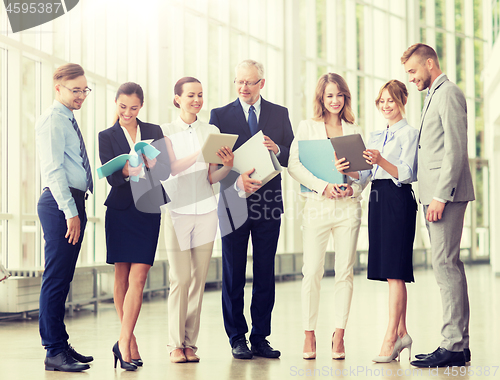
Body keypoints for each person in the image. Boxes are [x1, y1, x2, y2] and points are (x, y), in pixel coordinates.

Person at [209, 59, 294, 359]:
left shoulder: (279, 114)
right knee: (233, 272)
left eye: (249, 82)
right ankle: (236, 338)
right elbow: (215, 163)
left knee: (264, 272)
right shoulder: (219, 115)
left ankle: (260, 337)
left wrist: (277, 149)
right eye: (239, 82)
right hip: (233, 201)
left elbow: (291, 155)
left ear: (262, 83)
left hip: (268, 202)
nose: (243, 87)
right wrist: (237, 181)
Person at [401, 43, 475, 368]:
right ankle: (458, 343)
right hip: (437, 195)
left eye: (413, 71)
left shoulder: (448, 93)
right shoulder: (434, 94)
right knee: (449, 267)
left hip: (446, 196)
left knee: (445, 267)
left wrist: (440, 196)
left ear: (430, 63)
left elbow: (455, 150)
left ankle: (453, 345)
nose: (411, 79)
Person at [338, 80, 418, 363]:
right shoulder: (374, 136)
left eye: (391, 101)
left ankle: (391, 337)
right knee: (390, 272)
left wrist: (381, 160)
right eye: (381, 101)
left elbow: (407, 173)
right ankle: (403, 332)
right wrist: (347, 172)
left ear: (402, 102)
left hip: (398, 199)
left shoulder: (409, 133)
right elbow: (364, 176)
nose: (385, 106)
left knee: (396, 271)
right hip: (378, 199)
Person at [288, 73, 364, 360]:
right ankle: (309, 334)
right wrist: (324, 186)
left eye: (339, 95)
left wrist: (352, 186)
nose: (335, 100)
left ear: (346, 98)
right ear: (321, 98)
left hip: (347, 208)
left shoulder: (354, 129)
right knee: (312, 271)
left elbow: (365, 171)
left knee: (344, 271)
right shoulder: (307, 127)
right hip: (317, 206)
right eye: (329, 95)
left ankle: (339, 334)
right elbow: (294, 165)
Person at [161, 77, 234, 363]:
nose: (197, 100)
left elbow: (211, 177)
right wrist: (199, 153)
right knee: (180, 278)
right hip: (177, 211)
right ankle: (174, 344)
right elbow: (171, 168)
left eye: (201, 95)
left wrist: (226, 166)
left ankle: (190, 343)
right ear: (177, 98)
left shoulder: (211, 130)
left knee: (198, 279)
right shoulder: (166, 131)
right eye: (191, 95)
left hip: (206, 211)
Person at [98, 82, 170, 370]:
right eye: (123, 106)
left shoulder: (153, 132)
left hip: (148, 209)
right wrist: (127, 169)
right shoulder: (107, 136)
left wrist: (153, 166)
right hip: (120, 210)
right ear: (116, 103)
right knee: (122, 276)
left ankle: (123, 341)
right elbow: (111, 176)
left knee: (138, 277)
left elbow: (166, 170)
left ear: (142, 107)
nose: (128, 113)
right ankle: (130, 342)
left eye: (134, 108)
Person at [36, 63, 94, 372]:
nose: (82, 96)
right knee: (56, 279)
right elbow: (54, 170)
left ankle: (61, 343)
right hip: (61, 204)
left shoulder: (67, 119)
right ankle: (53, 350)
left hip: (73, 202)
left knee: (63, 279)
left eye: (85, 90)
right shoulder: (52, 121)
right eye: (76, 90)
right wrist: (70, 213)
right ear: (58, 88)